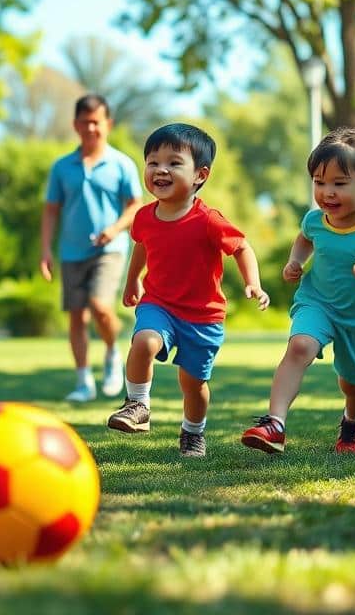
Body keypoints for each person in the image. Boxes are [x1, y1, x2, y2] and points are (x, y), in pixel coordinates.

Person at [242, 127, 355, 455]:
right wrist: (296, 261)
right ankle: (275, 424)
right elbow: (305, 239)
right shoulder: (315, 220)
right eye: (319, 182)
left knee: (354, 386)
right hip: (317, 302)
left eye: (339, 184)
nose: (327, 193)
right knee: (299, 346)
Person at [105, 124, 269, 457]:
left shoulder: (208, 220)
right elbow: (141, 245)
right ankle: (137, 405)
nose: (160, 170)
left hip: (203, 317)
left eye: (173, 163)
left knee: (192, 385)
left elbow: (241, 247)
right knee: (144, 340)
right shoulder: (144, 217)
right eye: (152, 162)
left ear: (200, 174)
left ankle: (193, 433)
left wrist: (253, 282)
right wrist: (133, 278)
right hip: (159, 304)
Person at [41, 94, 144, 402]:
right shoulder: (62, 167)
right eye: (84, 122)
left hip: (110, 250)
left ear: (108, 124)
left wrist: (113, 229)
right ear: (75, 125)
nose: (90, 128)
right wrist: (45, 250)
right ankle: (84, 382)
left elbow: (136, 206)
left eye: (96, 122)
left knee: (100, 307)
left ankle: (113, 353)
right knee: (76, 317)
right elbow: (50, 210)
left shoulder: (121, 164)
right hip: (71, 251)